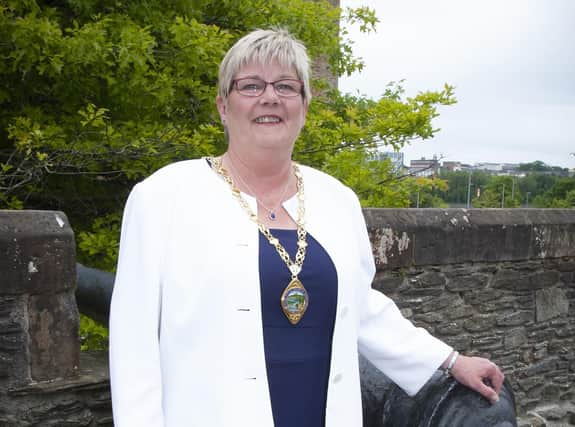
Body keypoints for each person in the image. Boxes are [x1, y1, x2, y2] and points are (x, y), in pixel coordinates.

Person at [109, 28, 504, 427]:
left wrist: (451, 360)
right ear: (222, 106)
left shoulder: (337, 199)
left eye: (286, 86)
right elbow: (134, 343)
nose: (269, 97)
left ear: (305, 106)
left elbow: (362, 308)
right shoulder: (163, 196)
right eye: (250, 86)